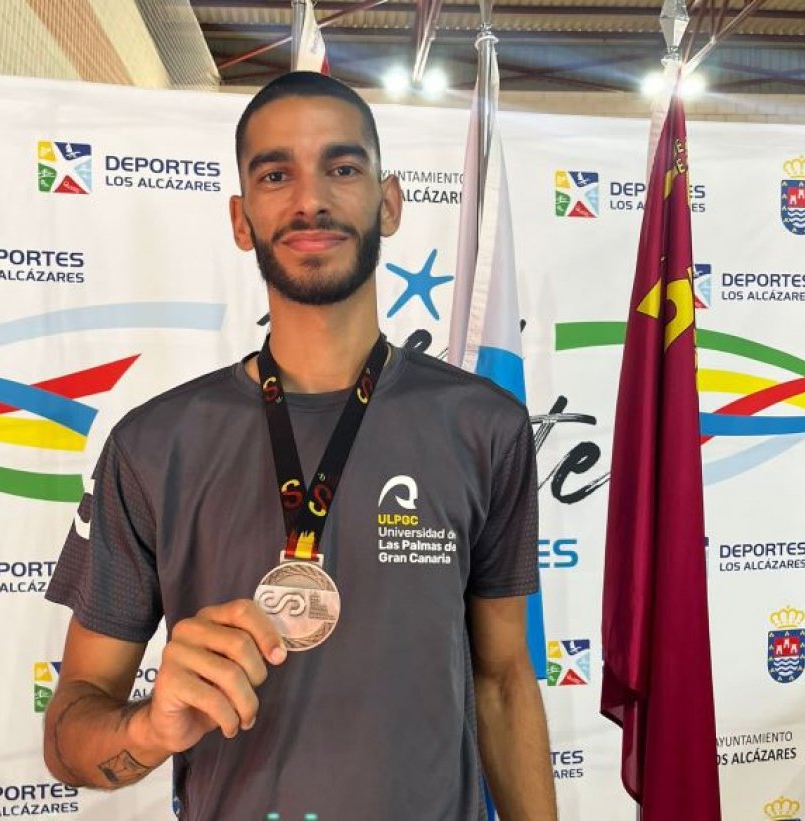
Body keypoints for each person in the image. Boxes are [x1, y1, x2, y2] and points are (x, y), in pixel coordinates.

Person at [43, 71, 557, 821]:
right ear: (241, 218)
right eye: (275, 174)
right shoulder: (154, 446)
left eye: (342, 168)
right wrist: (150, 727)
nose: (310, 199)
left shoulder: (485, 425)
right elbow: (68, 737)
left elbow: (505, 681)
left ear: (389, 202)